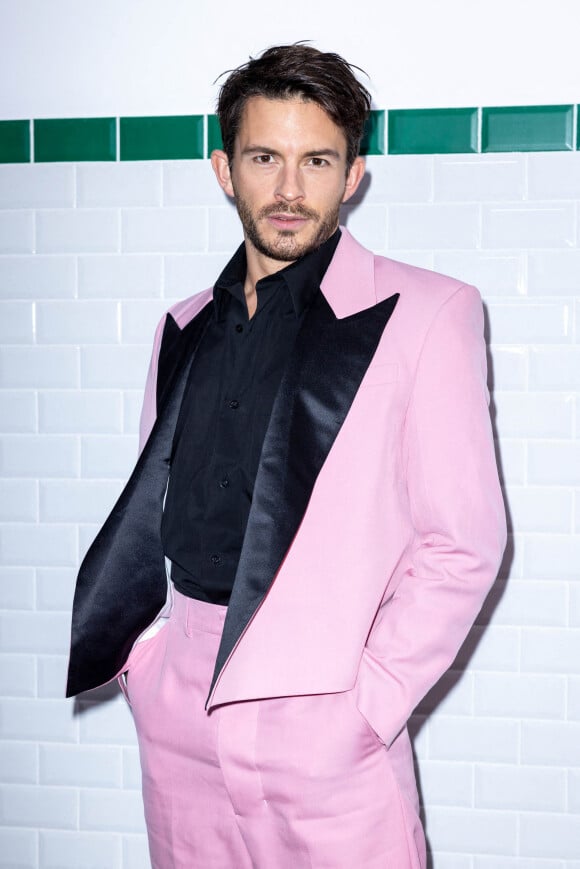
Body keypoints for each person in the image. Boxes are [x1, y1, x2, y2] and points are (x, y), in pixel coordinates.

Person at [67, 44, 506, 868]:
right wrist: (147, 665)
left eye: (318, 160)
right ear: (224, 169)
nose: (292, 189)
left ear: (356, 174)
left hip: (328, 718)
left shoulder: (430, 314)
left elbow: (464, 543)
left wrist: (365, 706)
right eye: (266, 157)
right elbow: (163, 505)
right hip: (180, 713)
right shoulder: (182, 325)